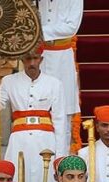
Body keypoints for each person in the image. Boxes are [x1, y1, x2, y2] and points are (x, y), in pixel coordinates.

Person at [0, 50, 67, 182]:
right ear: (22, 59)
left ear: (41, 59)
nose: (31, 63)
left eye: (35, 58)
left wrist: (61, 158)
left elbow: (60, 121)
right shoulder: (8, 81)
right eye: (28, 58)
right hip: (19, 142)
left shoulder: (54, 83)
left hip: (46, 142)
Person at [38, 0, 83, 136]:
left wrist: (39, 31)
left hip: (63, 58)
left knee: (64, 113)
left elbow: (72, 27)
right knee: (39, 106)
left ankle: (62, 156)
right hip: (39, 56)